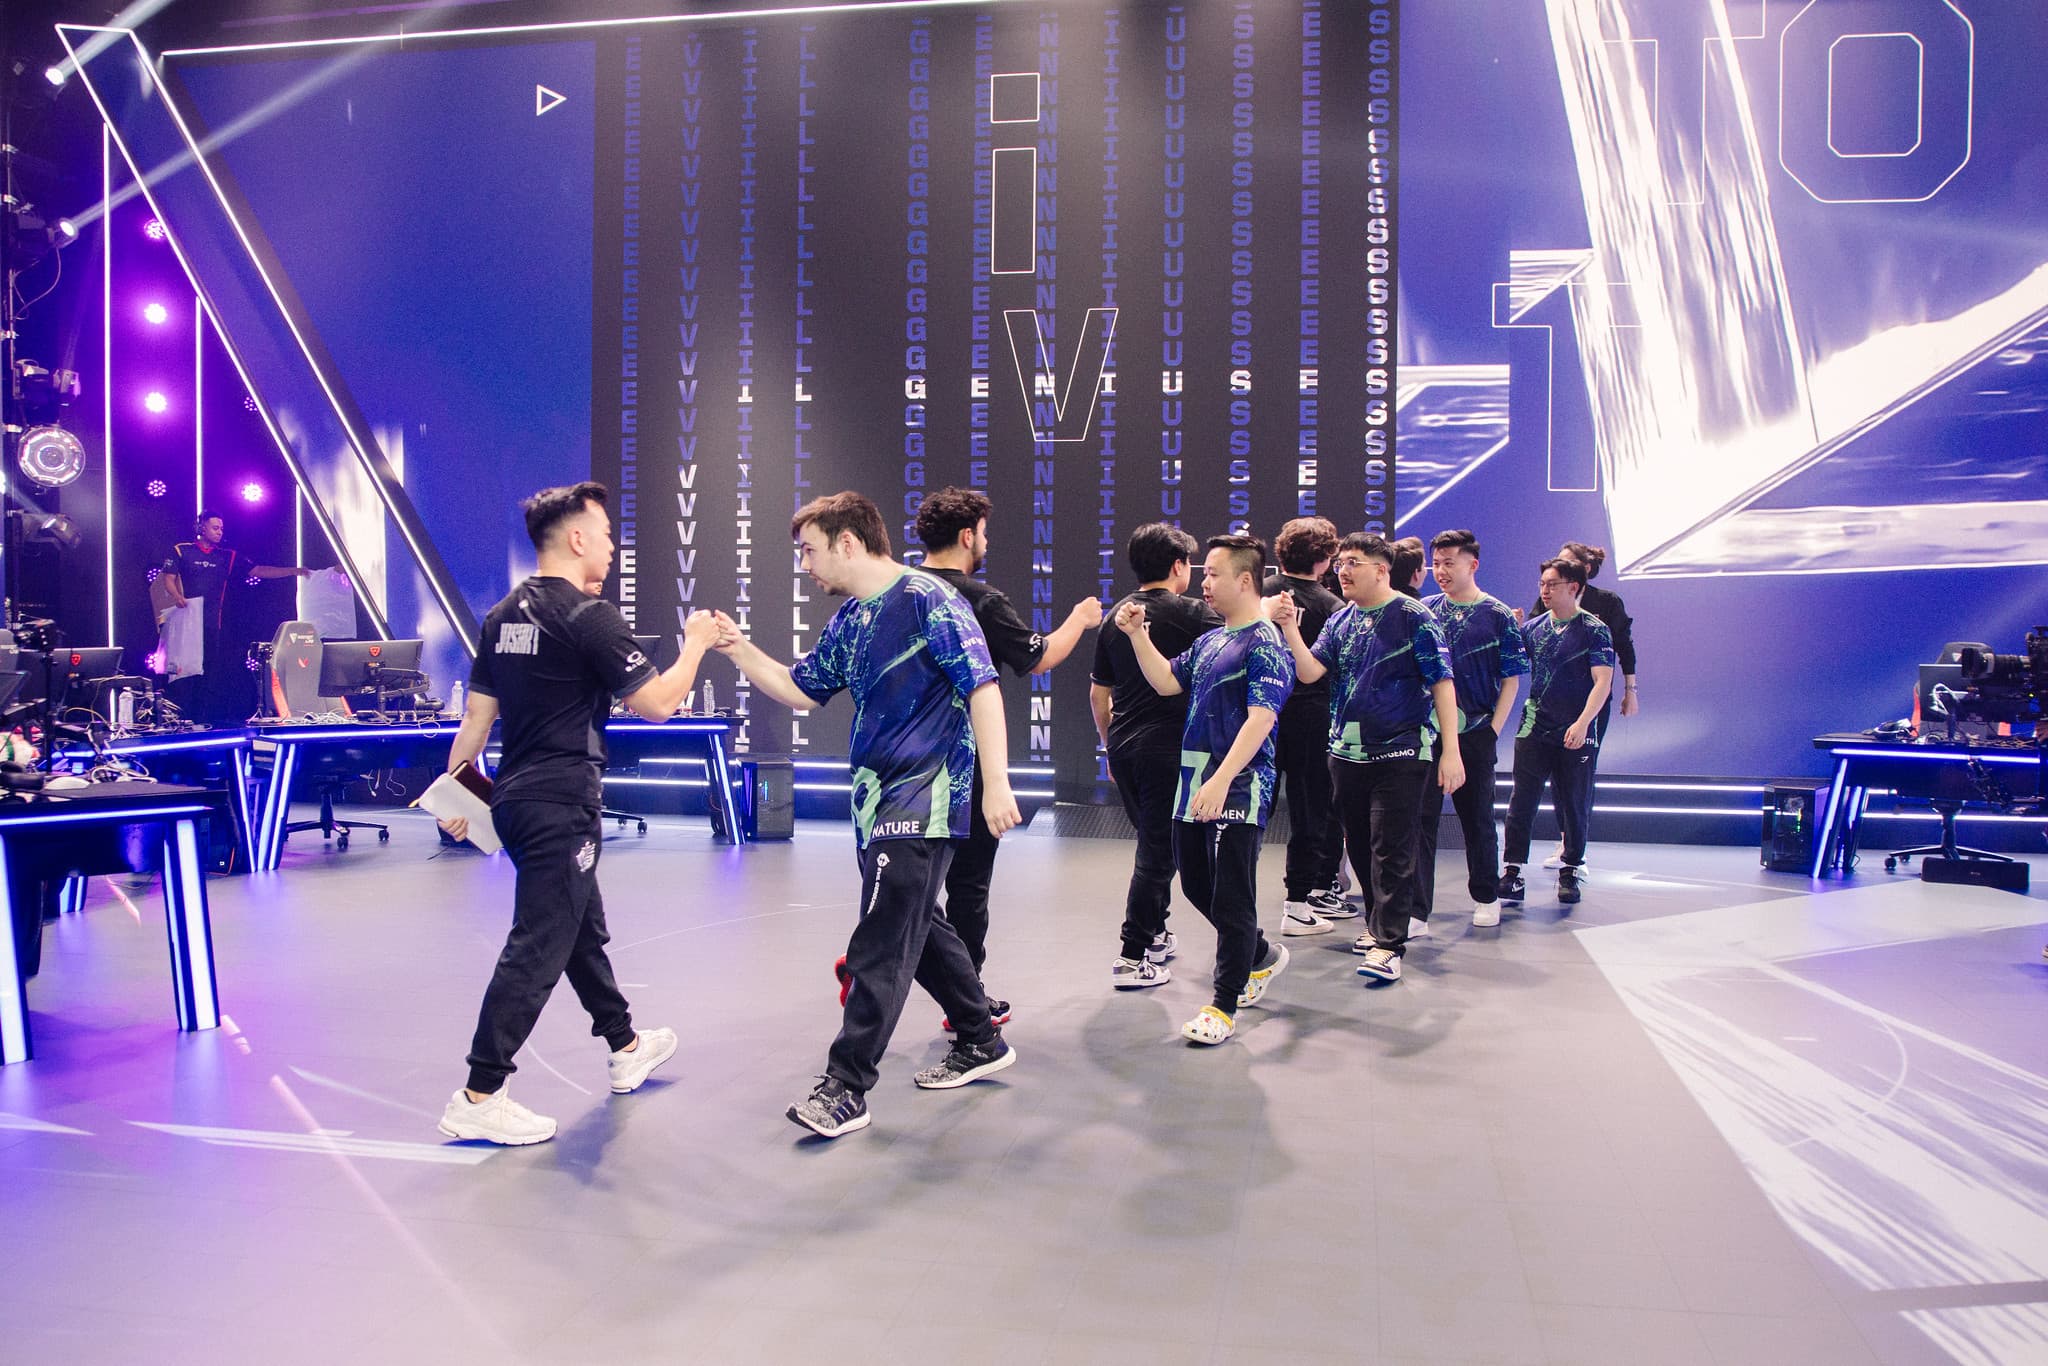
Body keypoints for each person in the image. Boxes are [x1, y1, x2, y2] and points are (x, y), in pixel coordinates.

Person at [711, 492, 1020, 1138]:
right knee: (918, 927)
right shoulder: (851, 621)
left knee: (880, 937)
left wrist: (996, 783)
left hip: (927, 795)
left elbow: (983, 687)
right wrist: (738, 649)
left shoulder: (931, 601)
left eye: (810, 550)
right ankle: (979, 1036)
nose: (806, 565)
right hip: (874, 801)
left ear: (847, 542)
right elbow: (801, 688)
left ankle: (846, 1086)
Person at [434, 481, 711, 1146]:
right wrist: (697, 643)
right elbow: (659, 704)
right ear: (578, 537)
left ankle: (625, 1045)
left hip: (516, 801)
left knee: (578, 928)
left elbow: (476, 720)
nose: (613, 547)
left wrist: (454, 796)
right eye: (608, 535)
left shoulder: (501, 616)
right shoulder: (590, 616)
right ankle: (480, 1092)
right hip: (561, 802)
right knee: (540, 942)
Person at [913, 487, 1102, 1027]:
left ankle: (881, 964)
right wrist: (1079, 618)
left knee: (905, 881)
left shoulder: (898, 592)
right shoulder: (980, 600)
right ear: (967, 536)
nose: (986, 542)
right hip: (963, 764)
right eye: (984, 533)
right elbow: (1038, 657)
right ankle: (965, 1000)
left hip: (901, 765)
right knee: (967, 886)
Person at [1113, 533, 1294, 1045]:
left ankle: (1224, 1003)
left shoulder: (1265, 643)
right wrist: (1137, 636)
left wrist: (1222, 779)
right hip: (1194, 781)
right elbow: (1167, 682)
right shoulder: (1213, 640)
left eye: (1213, 573)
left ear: (1245, 579)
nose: (1204, 582)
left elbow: (1261, 718)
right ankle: (1259, 954)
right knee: (1196, 885)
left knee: (1233, 896)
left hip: (1238, 785)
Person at [1269, 533, 1460, 984]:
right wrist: (1290, 629)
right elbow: (1310, 672)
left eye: (1353, 562)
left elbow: (1442, 682)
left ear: (1381, 569)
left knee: (1391, 846)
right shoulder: (1341, 619)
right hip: (1346, 753)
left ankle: (1388, 945)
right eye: (1340, 563)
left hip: (1402, 750)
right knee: (1358, 844)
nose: (1343, 570)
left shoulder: (1414, 617)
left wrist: (1450, 750)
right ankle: (1378, 927)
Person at [1090, 524, 1220, 989]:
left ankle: (1157, 933)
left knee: (1155, 845)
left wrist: (1109, 745)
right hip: (1171, 750)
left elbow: (1099, 694)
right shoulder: (1196, 614)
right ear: (1179, 566)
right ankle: (1132, 955)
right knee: (1158, 854)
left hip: (1125, 746)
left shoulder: (1116, 616)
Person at [1418, 530, 1529, 930]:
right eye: (1436, 563)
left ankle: (1486, 895)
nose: (1441, 571)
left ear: (1472, 564)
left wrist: (1492, 731)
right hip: (1428, 734)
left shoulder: (1497, 615)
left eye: (1449, 563)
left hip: (1476, 732)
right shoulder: (1425, 611)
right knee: (1420, 821)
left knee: (1478, 820)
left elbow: (1512, 680)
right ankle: (1415, 909)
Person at [1501, 557, 1616, 909]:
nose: (1545, 590)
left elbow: (1602, 681)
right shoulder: (1534, 628)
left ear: (1574, 587)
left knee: (1574, 802)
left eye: (1552, 584)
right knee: (1522, 800)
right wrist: (1510, 630)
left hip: (1576, 730)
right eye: (1542, 584)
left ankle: (1571, 869)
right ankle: (1512, 871)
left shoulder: (1594, 629)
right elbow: (1508, 661)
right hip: (1535, 726)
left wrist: (1582, 723)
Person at [1259, 517, 1351, 937]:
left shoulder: (1257, 596)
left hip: (1260, 716)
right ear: (1326, 558)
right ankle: (1298, 904)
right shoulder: (1334, 608)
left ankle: (1233, 895)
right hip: (1312, 719)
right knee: (1310, 812)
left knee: (1249, 810)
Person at [1529, 541, 1638, 869]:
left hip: (1591, 703)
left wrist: (1630, 690)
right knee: (1555, 774)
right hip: (1551, 704)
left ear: (1583, 572)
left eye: (1564, 565)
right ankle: (1565, 841)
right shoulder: (1548, 599)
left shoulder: (1606, 603)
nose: (1549, 585)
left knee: (1579, 773)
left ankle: (1576, 848)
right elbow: (1531, 636)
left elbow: (1624, 647)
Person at [159, 511, 311, 725]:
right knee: (180, 674)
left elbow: (258, 570)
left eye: (221, 529)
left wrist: (293, 571)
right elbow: (168, 579)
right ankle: (175, 720)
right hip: (184, 623)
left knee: (207, 674)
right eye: (215, 528)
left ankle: (200, 721)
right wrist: (177, 597)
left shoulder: (226, 556)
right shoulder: (182, 550)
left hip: (212, 623)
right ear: (202, 528)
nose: (219, 532)